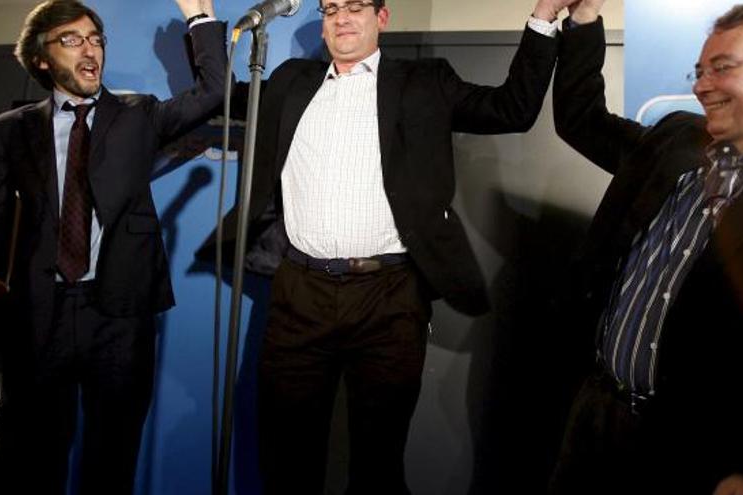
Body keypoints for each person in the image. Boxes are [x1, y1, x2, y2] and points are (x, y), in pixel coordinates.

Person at [195, 0, 574, 492]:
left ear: (382, 17)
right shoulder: (290, 81)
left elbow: (512, 108)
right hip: (299, 295)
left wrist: (544, 14)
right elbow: (221, 95)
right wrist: (200, 20)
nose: (342, 18)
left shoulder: (425, 81)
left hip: (389, 298)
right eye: (331, 9)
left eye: (355, 7)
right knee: (287, 460)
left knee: (378, 463)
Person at [548, 1, 743, 494]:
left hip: (698, 457)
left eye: (722, 68)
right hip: (593, 417)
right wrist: (581, 20)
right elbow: (581, 119)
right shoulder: (676, 138)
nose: (700, 85)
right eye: (700, 70)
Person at [0, 0, 226, 492]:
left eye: (95, 39)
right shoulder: (10, 130)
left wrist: (199, 14)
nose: (89, 49)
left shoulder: (140, 115)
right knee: (33, 460)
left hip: (119, 319)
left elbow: (214, 91)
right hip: (37, 322)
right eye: (71, 39)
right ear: (42, 59)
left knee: (111, 463)